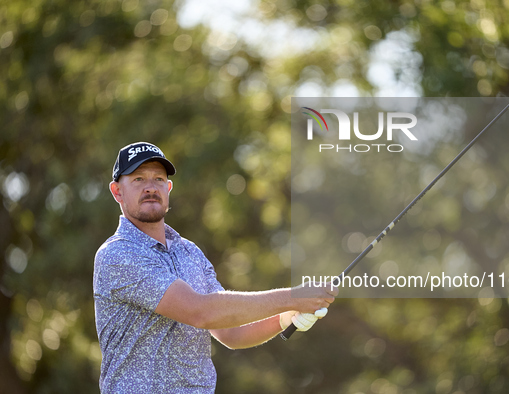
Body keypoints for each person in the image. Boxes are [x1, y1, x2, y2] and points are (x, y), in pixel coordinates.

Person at [93, 142, 337, 393]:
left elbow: (231, 333)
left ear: (168, 188)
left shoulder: (190, 253)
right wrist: (292, 297)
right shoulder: (117, 254)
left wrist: (285, 317)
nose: (150, 187)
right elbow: (200, 312)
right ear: (117, 191)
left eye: (158, 178)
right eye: (138, 179)